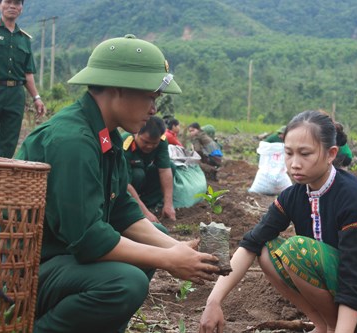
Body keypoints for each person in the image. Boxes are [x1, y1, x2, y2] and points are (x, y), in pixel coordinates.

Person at [16, 34, 219, 333]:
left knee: (152, 238)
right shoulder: (72, 140)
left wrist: (176, 248)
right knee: (125, 282)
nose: (153, 109)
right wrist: (167, 258)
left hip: (61, 261)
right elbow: (87, 238)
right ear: (117, 88)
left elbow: (122, 208)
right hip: (26, 270)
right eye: (150, 97)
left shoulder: (106, 135)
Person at [199, 110, 357, 333]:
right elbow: (251, 243)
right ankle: (322, 325)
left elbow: (355, 276)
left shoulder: (353, 198)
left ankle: (333, 328)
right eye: (289, 154)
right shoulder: (293, 195)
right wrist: (213, 302)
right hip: (342, 293)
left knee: (297, 249)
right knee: (265, 249)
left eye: (305, 154)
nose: (294, 164)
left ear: (330, 154)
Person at [0, 0, 46, 158]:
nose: (12, 6)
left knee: (9, 141)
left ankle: (2, 178)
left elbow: (27, 73)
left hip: (15, 95)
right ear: (0, 5)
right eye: (8, 1)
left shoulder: (24, 39)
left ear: (21, 8)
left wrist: (36, 98)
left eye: (17, 3)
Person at [122, 116, 176, 223]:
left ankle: (149, 205)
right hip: (125, 184)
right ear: (136, 132)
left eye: (154, 144)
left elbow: (164, 170)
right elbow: (124, 183)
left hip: (143, 178)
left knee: (171, 166)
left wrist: (168, 204)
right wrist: (144, 212)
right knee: (138, 174)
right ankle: (133, 207)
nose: (149, 146)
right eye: (145, 142)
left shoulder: (161, 141)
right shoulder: (125, 143)